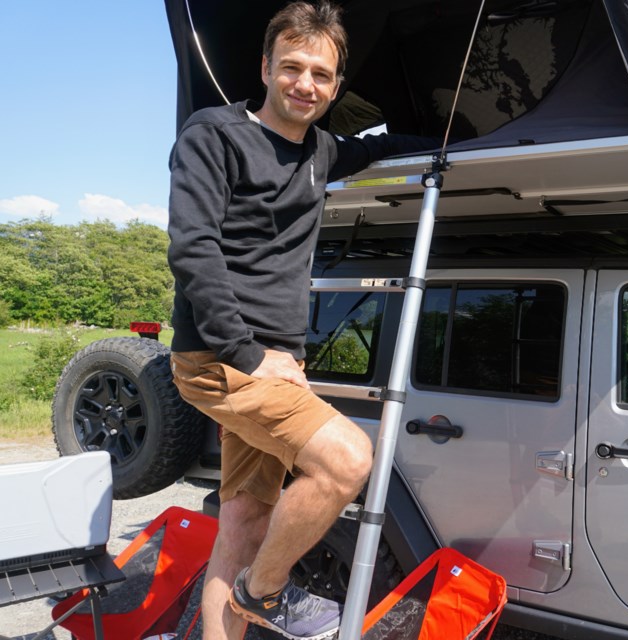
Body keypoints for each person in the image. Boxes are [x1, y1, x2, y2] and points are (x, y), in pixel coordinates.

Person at [166, 3, 435, 639]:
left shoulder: (320, 150)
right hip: (223, 359)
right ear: (265, 67)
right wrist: (247, 353)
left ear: (336, 85)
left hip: (278, 361)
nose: (304, 84)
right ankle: (268, 593)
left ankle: (235, 609)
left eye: (321, 74)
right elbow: (193, 249)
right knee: (347, 460)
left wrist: (458, 142)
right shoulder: (215, 136)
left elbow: (378, 147)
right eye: (292, 67)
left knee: (243, 525)